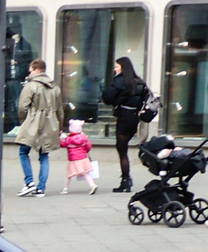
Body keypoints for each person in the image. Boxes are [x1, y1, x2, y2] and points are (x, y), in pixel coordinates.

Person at [11, 58, 63, 194]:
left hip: (33, 122)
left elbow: (22, 106)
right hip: (50, 123)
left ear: (37, 70)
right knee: (44, 156)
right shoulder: (55, 87)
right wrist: (59, 126)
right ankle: (41, 188)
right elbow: (60, 110)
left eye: (31, 70)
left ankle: (29, 182)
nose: (30, 73)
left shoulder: (31, 85)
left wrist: (24, 122)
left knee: (23, 152)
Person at [103, 57, 149, 191]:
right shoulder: (139, 82)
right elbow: (142, 101)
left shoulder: (119, 81)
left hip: (123, 116)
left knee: (122, 151)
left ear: (122, 67)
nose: (114, 69)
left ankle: (125, 180)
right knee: (124, 148)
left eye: (117, 67)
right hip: (134, 117)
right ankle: (125, 179)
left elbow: (107, 97)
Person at [59, 119, 98, 193]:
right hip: (83, 158)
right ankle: (92, 184)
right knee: (85, 172)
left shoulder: (69, 139)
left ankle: (65, 188)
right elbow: (88, 146)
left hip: (74, 159)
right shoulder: (84, 137)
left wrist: (60, 139)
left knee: (69, 174)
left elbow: (63, 145)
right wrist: (85, 151)